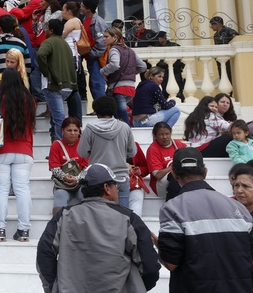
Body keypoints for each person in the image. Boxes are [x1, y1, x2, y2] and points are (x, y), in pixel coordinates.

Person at [37, 162, 160, 293]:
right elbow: (149, 266)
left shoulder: (63, 216)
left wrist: (54, 287)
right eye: (115, 185)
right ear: (107, 188)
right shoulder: (129, 218)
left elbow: (44, 254)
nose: (117, 190)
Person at [157, 147, 253, 292]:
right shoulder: (239, 208)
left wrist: (159, 245)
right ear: (205, 172)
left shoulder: (172, 208)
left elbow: (171, 263)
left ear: (174, 174)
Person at [0, 68, 35, 242]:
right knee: (22, 189)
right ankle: (24, 230)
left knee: (1, 189)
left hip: (0, 150)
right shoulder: (29, 100)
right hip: (24, 150)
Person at [78, 95, 135, 209]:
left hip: (98, 180)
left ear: (96, 110)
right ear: (114, 109)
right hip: (121, 177)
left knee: (99, 217)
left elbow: (82, 153)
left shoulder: (90, 128)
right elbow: (132, 152)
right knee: (123, 216)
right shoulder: (124, 127)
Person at [37, 19, 83, 139]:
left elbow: (40, 54)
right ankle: (56, 141)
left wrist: (46, 72)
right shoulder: (66, 44)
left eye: (46, 28)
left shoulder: (49, 42)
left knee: (59, 118)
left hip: (53, 85)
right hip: (67, 86)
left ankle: (62, 148)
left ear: (51, 30)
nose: (45, 30)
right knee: (56, 114)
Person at [100, 26, 147, 124]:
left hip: (118, 87)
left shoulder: (114, 49)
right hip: (130, 88)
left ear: (115, 37)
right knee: (118, 112)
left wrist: (103, 71)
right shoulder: (130, 51)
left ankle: (127, 133)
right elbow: (143, 66)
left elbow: (114, 64)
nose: (103, 39)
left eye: (106, 36)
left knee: (121, 113)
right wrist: (129, 73)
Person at [49, 117, 88, 214]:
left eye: (75, 130)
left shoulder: (84, 145)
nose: (73, 133)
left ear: (79, 131)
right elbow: (54, 167)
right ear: (62, 131)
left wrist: (77, 179)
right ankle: (58, 226)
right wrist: (65, 177)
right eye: (69, 130)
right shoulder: (56, 145)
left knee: (87, 197)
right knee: (60, 197)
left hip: (81, 183)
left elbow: (87, 167)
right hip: (62, 184)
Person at [146, 122, 185, 199]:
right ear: (155, 136)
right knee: (173, 175)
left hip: (179, 180)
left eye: (167, 134)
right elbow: (158, 175)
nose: (165, 137)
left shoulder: (178, 144)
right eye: (161, 134)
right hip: (160, 184)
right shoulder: (153, 149)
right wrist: (173, 166)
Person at [79, 0, 107, 102]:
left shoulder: (98, 23)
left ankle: (102, 109)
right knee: (93, 83)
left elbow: (102, 42)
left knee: (97, 83)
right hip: (90, 57)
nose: (80, 8)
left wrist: (92, 53)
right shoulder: (86, 20)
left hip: (96, 58)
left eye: (82, 6)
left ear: (88, 9)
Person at [127, 142, 149, 217]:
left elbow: (145, 167)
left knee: (137, 198)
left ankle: (135, 226)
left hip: (132, 182)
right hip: (113, 183)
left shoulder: (134, 145)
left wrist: (140, 170)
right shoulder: (107, 145)